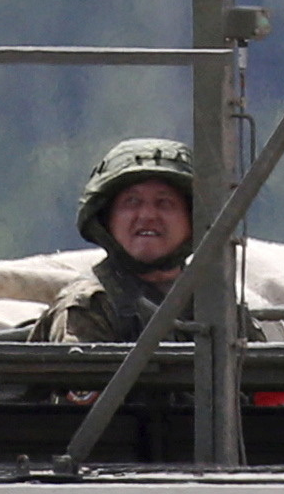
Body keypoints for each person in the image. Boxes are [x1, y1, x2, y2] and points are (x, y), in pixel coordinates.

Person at [39, 136, 204, 344]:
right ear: (108, 219)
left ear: (191, 218)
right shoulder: (90, 305)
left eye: (165, 203)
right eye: (132, 202)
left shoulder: (214, 302)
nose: (147, 216)